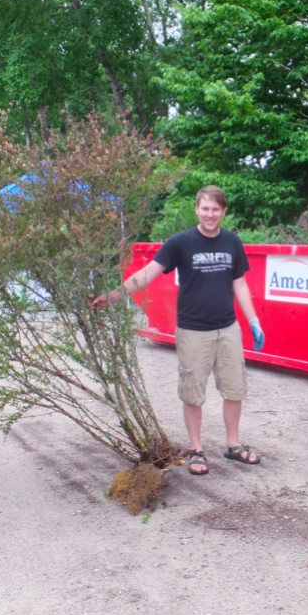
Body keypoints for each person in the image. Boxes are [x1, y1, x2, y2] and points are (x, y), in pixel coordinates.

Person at [91, 185, 266, 476]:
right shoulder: (180, 242)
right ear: (197, 209)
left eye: (216, 209)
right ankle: (197, 450)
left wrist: (253, 321)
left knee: (235, 390)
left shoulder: (233, 242)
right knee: (193, 393)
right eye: (205, 208)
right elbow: (146, 274)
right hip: (193, 331)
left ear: (223, 211)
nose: (210, 214)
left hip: (228, 328)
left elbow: (240, 285)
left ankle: (233, 445)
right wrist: (112, 296)